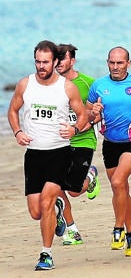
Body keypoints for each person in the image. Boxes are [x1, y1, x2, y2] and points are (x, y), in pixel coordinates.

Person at [7, 40, 89, 270]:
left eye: (45, 62)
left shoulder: (66, 87)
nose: (41, 66)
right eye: (38, 62)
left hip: (59, 153)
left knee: (45, 202)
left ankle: (46, 254)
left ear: (55, 62)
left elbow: (82, 116)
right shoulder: (25, 84)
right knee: (35, 212)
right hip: (33, 155)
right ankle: (58, 210)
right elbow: (12, 110)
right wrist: (17, 131)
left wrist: (73, 129)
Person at [87, 47, 131, 257]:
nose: (115, 67)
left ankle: (118, 227)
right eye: (112, 63)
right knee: (120, 190)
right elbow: (88, 114)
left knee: (118, 182)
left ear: (129, 63)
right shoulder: (98, 86)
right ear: (107, 62)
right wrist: (93, 113)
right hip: (110, 143)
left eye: (120, 63)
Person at [55, 44, 100, 246]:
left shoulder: (88, 84)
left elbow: (98, 114)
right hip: (58, 142)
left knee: (73, 190)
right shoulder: (50, 84)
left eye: (62, 59)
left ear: (72, 61)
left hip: (83, 140)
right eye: (55, 59)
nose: (58, 63)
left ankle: (90, 175)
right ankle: (72, 230)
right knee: (55, 185)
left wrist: (85, 124)